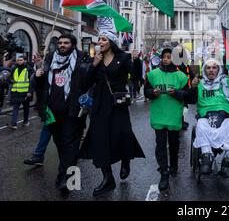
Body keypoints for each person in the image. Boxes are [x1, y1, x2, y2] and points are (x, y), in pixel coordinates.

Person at [79, 30, 145, 197]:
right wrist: (94, 64)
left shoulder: (122, 57)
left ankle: (126, 159)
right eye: (99, 39)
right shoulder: (95, 58)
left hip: (118, 102)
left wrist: (136, 60)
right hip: (100, 103)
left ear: (112, 42)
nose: (100, 42)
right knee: (99, 139)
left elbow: (136, 76)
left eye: (104, 39)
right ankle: (108, 178)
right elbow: (85, 83)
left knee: (123, 134)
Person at [33, 35, 91, 193]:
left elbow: (88, 82)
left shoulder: (82, 59)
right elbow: (40, 86)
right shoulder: (50, 59)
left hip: (73, 111)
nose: (62, 45)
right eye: (60, 43)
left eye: (66, 43)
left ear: (73, 44)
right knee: (61, 146)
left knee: (70, 145)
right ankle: (66, 174)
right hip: (52, 111)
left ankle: (66, 180)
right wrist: (38, 76)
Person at [187, 59, 229, 178]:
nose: (211, 70)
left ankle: (227, 163)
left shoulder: (228, 83)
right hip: (205, 116)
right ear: (204, 70)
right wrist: (193, 87)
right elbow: (190, 100)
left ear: (219, 70)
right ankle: (206, 157)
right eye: (208, 68)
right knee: (200, 125)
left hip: (225, 116)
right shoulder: (199, 84)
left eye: (214, 68)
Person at [144, 47, 189, 191]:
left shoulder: (181, 76)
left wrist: (176, 93)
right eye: (164, 57)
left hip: (174, 115)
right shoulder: (153, 74)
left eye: (169, 57)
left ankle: (174, 164)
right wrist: (152, 92)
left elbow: (187, 95)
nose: (166, 59)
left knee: (174, 142)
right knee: (160, 144)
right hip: (158, 115)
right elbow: (146, 91)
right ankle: (164, 172)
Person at [9, 54, 34, 129]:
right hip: (15, 91)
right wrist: (10, 80)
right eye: (18, 60)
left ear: (25, 61)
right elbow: (10, 78)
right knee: (15, 107)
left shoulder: (29, 69)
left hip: (25, 92)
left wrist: (30, 91)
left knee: (26, 108)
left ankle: (25, 121)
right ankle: (14, 124)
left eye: (21, 60)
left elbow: (32, 81)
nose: (19, 61)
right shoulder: (14, 68)